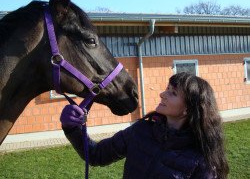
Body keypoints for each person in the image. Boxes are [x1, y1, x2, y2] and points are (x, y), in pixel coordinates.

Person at [60, 72, 229, 179]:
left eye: (173, 93)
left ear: (187, 109)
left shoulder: (202, 160)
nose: (162, 94)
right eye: (166, 88)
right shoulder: (141, 131)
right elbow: (96, 154)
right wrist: (73, 128)